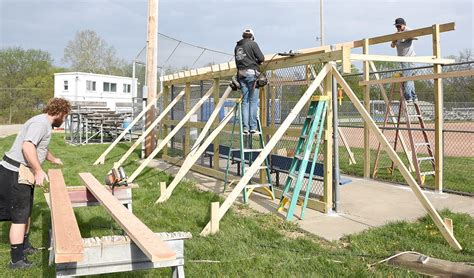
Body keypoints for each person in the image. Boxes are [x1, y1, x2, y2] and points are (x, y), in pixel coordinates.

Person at [0, 97, 71, 269]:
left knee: (25, 213)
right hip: (15, 172)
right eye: (65, 116)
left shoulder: (42, 123)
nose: (65, 119)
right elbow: (28, 147)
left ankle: (24, 245)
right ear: (60, 112)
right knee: (18, 217)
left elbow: (41, 147)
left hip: (22, 172)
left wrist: (53, 159)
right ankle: (16, 261)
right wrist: (39, 170)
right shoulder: (41, 124)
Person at [234, 28, 265, 134]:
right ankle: (253, 127)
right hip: (252, 74)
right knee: (253, 101)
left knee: (245, 101)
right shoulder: (253, 44)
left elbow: (238, 62)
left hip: (241, 75)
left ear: (243, 36)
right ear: (251, 36)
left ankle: (245, 128)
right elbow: (261, 58)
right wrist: (257, 62)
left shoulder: (237, 46)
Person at [391, 17, 418, 103]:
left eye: (399, 26)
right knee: (409, 77)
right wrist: (394, 40)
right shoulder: (396, 34)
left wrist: (408, 36)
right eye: (397, 26)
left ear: (404, 25)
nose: (398, 28)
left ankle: (408, 96)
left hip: (410, 58)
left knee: (407, 77)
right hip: (402, 59)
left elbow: (416, 35)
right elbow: (392, 46)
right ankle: (414, 96)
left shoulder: (408, 31)